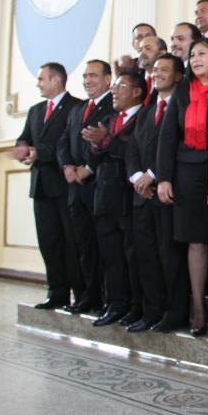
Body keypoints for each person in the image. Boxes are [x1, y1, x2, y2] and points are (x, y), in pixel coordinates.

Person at [156, 39, 208, 336]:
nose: (195, 59)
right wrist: (164, 177)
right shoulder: (182, 91)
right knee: (194, 241)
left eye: (202, 53)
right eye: (192, 55)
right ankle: (197, 307)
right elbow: (168, 136)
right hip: (186, 170)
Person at [125, 54, 189, 332]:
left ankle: (175, 313)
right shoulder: (147, 110)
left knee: (170, 257)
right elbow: (131, 149)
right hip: (142, 195)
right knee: (146, 256)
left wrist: (153, 174)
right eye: (154, 69)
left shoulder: (184, 105)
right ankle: (152, 311)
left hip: (167, 191)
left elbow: (177, 144)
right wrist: (138, 176)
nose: (157, 73)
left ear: (178, 76)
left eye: (164, 69)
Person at [13, 62, 84, 310]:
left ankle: (80, 293)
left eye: (42, 79)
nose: (38, 84)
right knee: (48, 242)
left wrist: (38, 152)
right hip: (41, 187)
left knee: (71, 241)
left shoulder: (76, 107)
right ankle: (56, 292)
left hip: (65, 187)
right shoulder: (35, 110)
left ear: (56, 80)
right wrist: (23, 148)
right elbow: (25, 137)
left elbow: (70, 146)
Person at [85, 72, 146, 327]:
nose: (114, 91)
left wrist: (105, 142)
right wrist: (96, 146)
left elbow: (133, 153)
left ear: (136, 92)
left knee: (133, 256)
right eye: (114, 87)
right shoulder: (108, 119)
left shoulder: (145, 118)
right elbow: (95, 159)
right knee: (110, 256)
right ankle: (115, 304)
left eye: (120, 86)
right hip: (105, 196)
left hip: (129, 197)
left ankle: (136, 306)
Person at [57, 59, 115, 314]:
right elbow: (62, 142)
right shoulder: (77, 109)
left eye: (93, 76)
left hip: (99, 185)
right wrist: (67, 167)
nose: (88, 80)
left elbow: (111, 139)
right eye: (85, 76)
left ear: (107, 79)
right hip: (75, 189)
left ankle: (107, 299)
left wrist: (87, 168)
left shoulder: (113, 105)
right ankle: (88, 296)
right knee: (83, 245)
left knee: (105, 247)